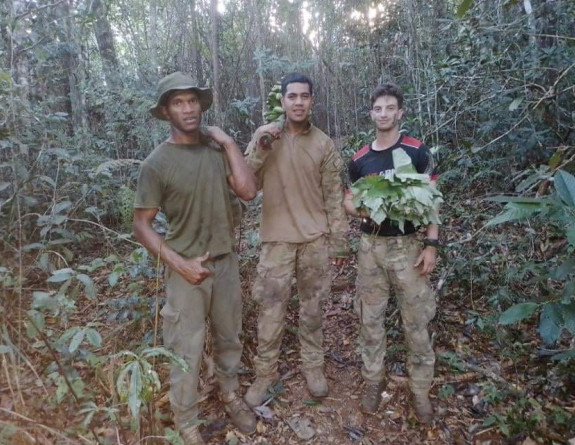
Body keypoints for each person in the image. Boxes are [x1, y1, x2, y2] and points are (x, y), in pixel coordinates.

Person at [132, 72, 257, 444]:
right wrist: (180, 264)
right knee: (185, 347)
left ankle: (230, 393)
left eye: (192, 101)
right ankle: (187, 422)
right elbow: (141, 225)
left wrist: (230, 143)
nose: (188, 109)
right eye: (178, 102)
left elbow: (248, 191)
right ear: (166, 111)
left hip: (225, 262)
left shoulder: (217, 151)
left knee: (229, 336)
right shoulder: (156, 164)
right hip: (185, 269)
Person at [243, 73, 349, 407]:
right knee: (270, 310)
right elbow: (246, 185)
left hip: (315, 240)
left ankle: (313, 366)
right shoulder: (266, 137)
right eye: (292, 96)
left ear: (312, 100)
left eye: (305, 96)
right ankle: (264, 374)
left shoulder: (323, 144)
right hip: (276, 240)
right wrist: (261, 148)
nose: (299, 102)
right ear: (283, 101)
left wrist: (341, 241)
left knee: (313, 309)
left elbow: (334, 196)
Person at [343, 83, 439, 423]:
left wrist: (431, 244)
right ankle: (373, 380)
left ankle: (420, 390)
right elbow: (348, 200)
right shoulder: (359, 159)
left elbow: (433, 202)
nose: (383, 114)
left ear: (400, 112)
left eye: (390, 108)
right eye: (378, 108)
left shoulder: (416, 152)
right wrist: (364, 210)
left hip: (408, 246)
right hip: (371, 247)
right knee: (370, 319)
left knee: (416, 320)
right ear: (371, 113)